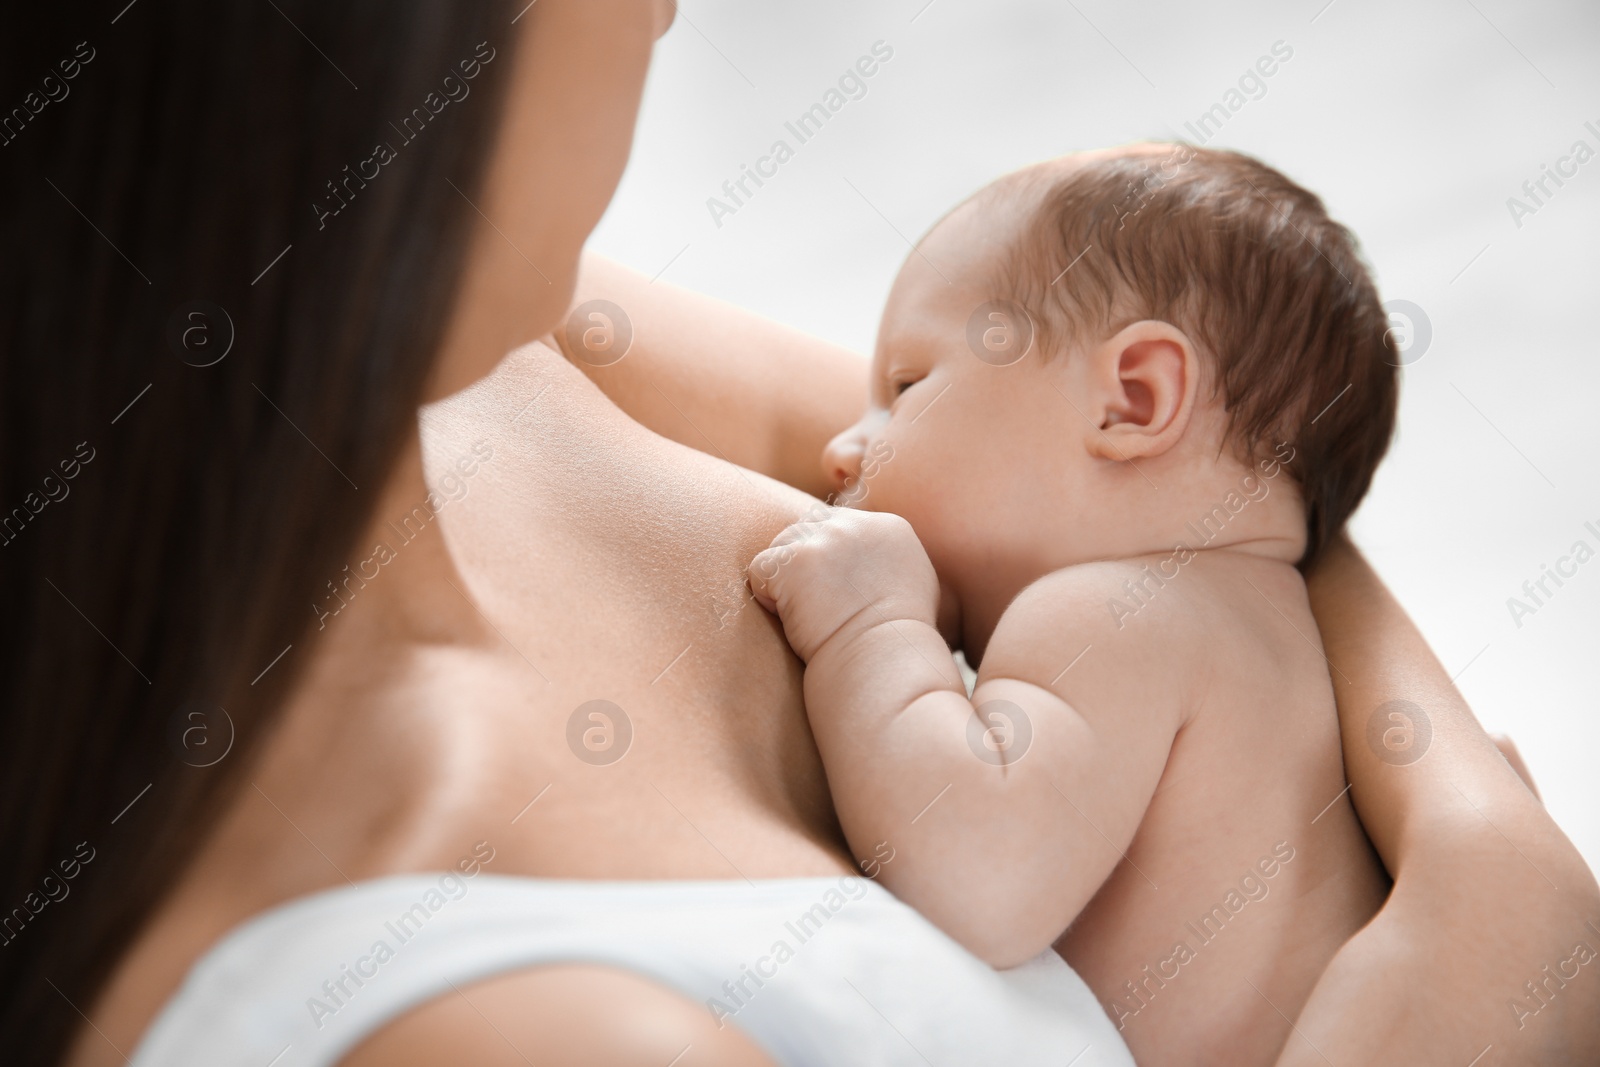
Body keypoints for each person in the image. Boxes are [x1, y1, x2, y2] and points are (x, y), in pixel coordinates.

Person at [0, 2, 1592, 1065]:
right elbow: (1205, 495)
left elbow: (1187, 473)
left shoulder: (494, 330)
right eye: (888, 381)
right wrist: (1478, 871)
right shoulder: (516, 1020)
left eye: (899, 384)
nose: (855, 441)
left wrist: (1491, 858)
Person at [747, 143, 1396, 1065]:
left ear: (1132, 399)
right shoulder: (1303, 644)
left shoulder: (1115, 612)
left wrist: (870, 627)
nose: (842, 450)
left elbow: (987, 877)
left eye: (904, 387)